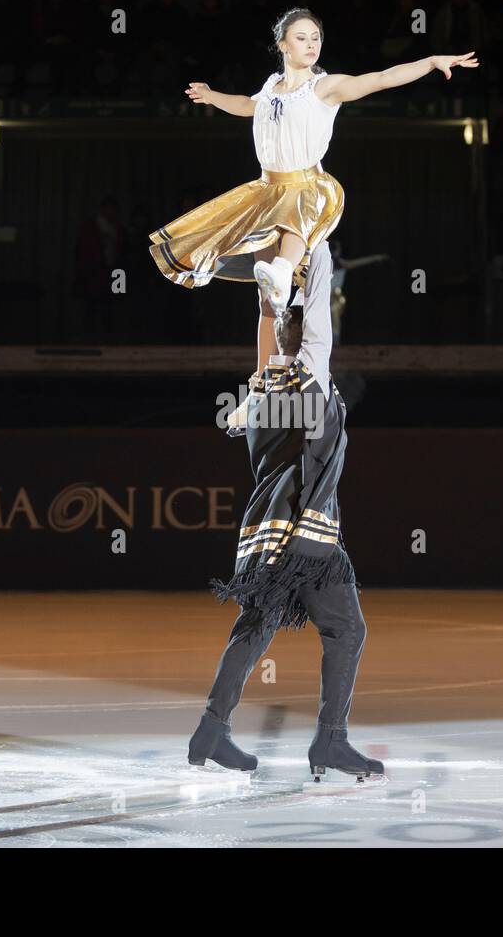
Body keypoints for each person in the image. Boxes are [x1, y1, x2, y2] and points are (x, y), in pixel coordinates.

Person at [148, 5, 476, 385]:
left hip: (306, 187)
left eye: (316, 37)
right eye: (301, 38)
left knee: (293, 219)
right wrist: (212, 95)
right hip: (267, 191)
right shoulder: (272, 86)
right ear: (283, 45)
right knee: (268, 305)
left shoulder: (324, 86)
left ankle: (284, 271)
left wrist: (432, 61)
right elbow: (246, 106)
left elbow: (383, 77)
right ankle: (260, 383)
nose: (311, 44)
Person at [189, 240, 383, 783]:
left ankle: (211, 728)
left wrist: (271, 279)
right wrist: (311, 233)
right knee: (347, 629)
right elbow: (314, 303)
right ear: (314, 340)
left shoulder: (263, 387)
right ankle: (330, 741)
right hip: (308, 536)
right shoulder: (312, 379)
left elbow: (267, 312)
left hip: (263, 532)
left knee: (255, 624)